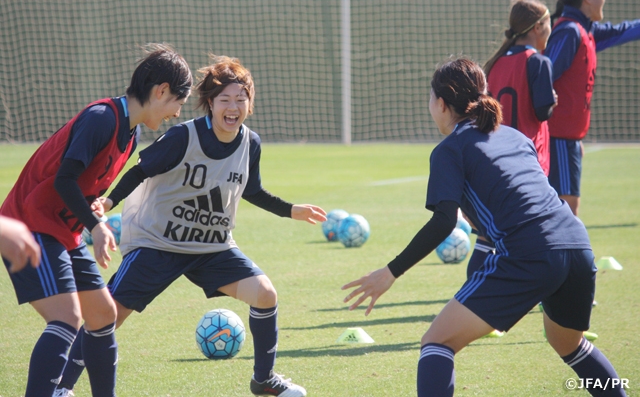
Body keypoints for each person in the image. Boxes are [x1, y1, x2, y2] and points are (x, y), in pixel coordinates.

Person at [342, 58, 627, 397]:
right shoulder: (515, 136)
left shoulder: (450, 150)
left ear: (442, 103)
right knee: (569, 343)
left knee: (437, 341)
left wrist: (390, 272)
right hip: (577, 244)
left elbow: (445, 221)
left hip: (530, 252)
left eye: (430, 98)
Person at [56, 55, 326, 397]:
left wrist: (291, 210)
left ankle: (264, 380)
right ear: (210, 104)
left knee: (265, 294)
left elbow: (252, 190)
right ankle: (61, 387)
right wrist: (109, 202)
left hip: (212, 249)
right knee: (106, 316)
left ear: (250, 104)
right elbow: (140, 171)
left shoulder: (250, 143)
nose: (233, 107)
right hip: (158, 244)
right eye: (224, 99)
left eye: (240, 100)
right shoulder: (183, 137)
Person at [0, 43, 192, 397]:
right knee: (67, 319)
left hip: (63, 230)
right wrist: (96, 226)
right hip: (29, 224)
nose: (176, 113)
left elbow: (79, 185)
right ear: (161, 91)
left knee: (102, 315)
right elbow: (63, 179)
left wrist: (94, 208)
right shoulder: (102, 118)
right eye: (178, 103)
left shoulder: (130, 136)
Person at [468, 0, 557, 280]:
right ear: (537, 27)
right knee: (544, 234)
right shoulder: (538, 63)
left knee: (487, 237)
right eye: (549, 23)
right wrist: (553, 98)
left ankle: (472, 295)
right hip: (530, 163)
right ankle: (554, 297)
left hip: (494, 162)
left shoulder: (494, 64)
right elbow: (542, 111)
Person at [544, 0, 640, 216]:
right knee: (566, 210)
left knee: (564, 210)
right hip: (558, 137)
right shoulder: (569, 32)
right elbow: (543, 76)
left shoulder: (586, 31)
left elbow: (626, 30)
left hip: (567, 138)